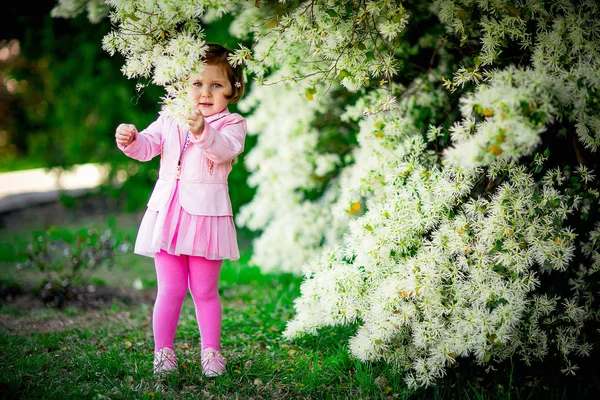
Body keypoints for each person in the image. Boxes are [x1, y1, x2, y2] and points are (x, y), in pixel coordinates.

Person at [114, 43, 246, 377]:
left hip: (206, 219)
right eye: (197, 84)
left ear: (233, 90)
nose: (205, 92)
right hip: (169, 214)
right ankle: (163, 352)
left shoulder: (232, 124)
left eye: (216, 85)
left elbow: (223, 151)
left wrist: (203, 130)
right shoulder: (171, 116)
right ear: (182, 86)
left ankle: (211, 352)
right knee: (170, 289)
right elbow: (149, 146)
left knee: (204, 290)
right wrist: (131, 140)